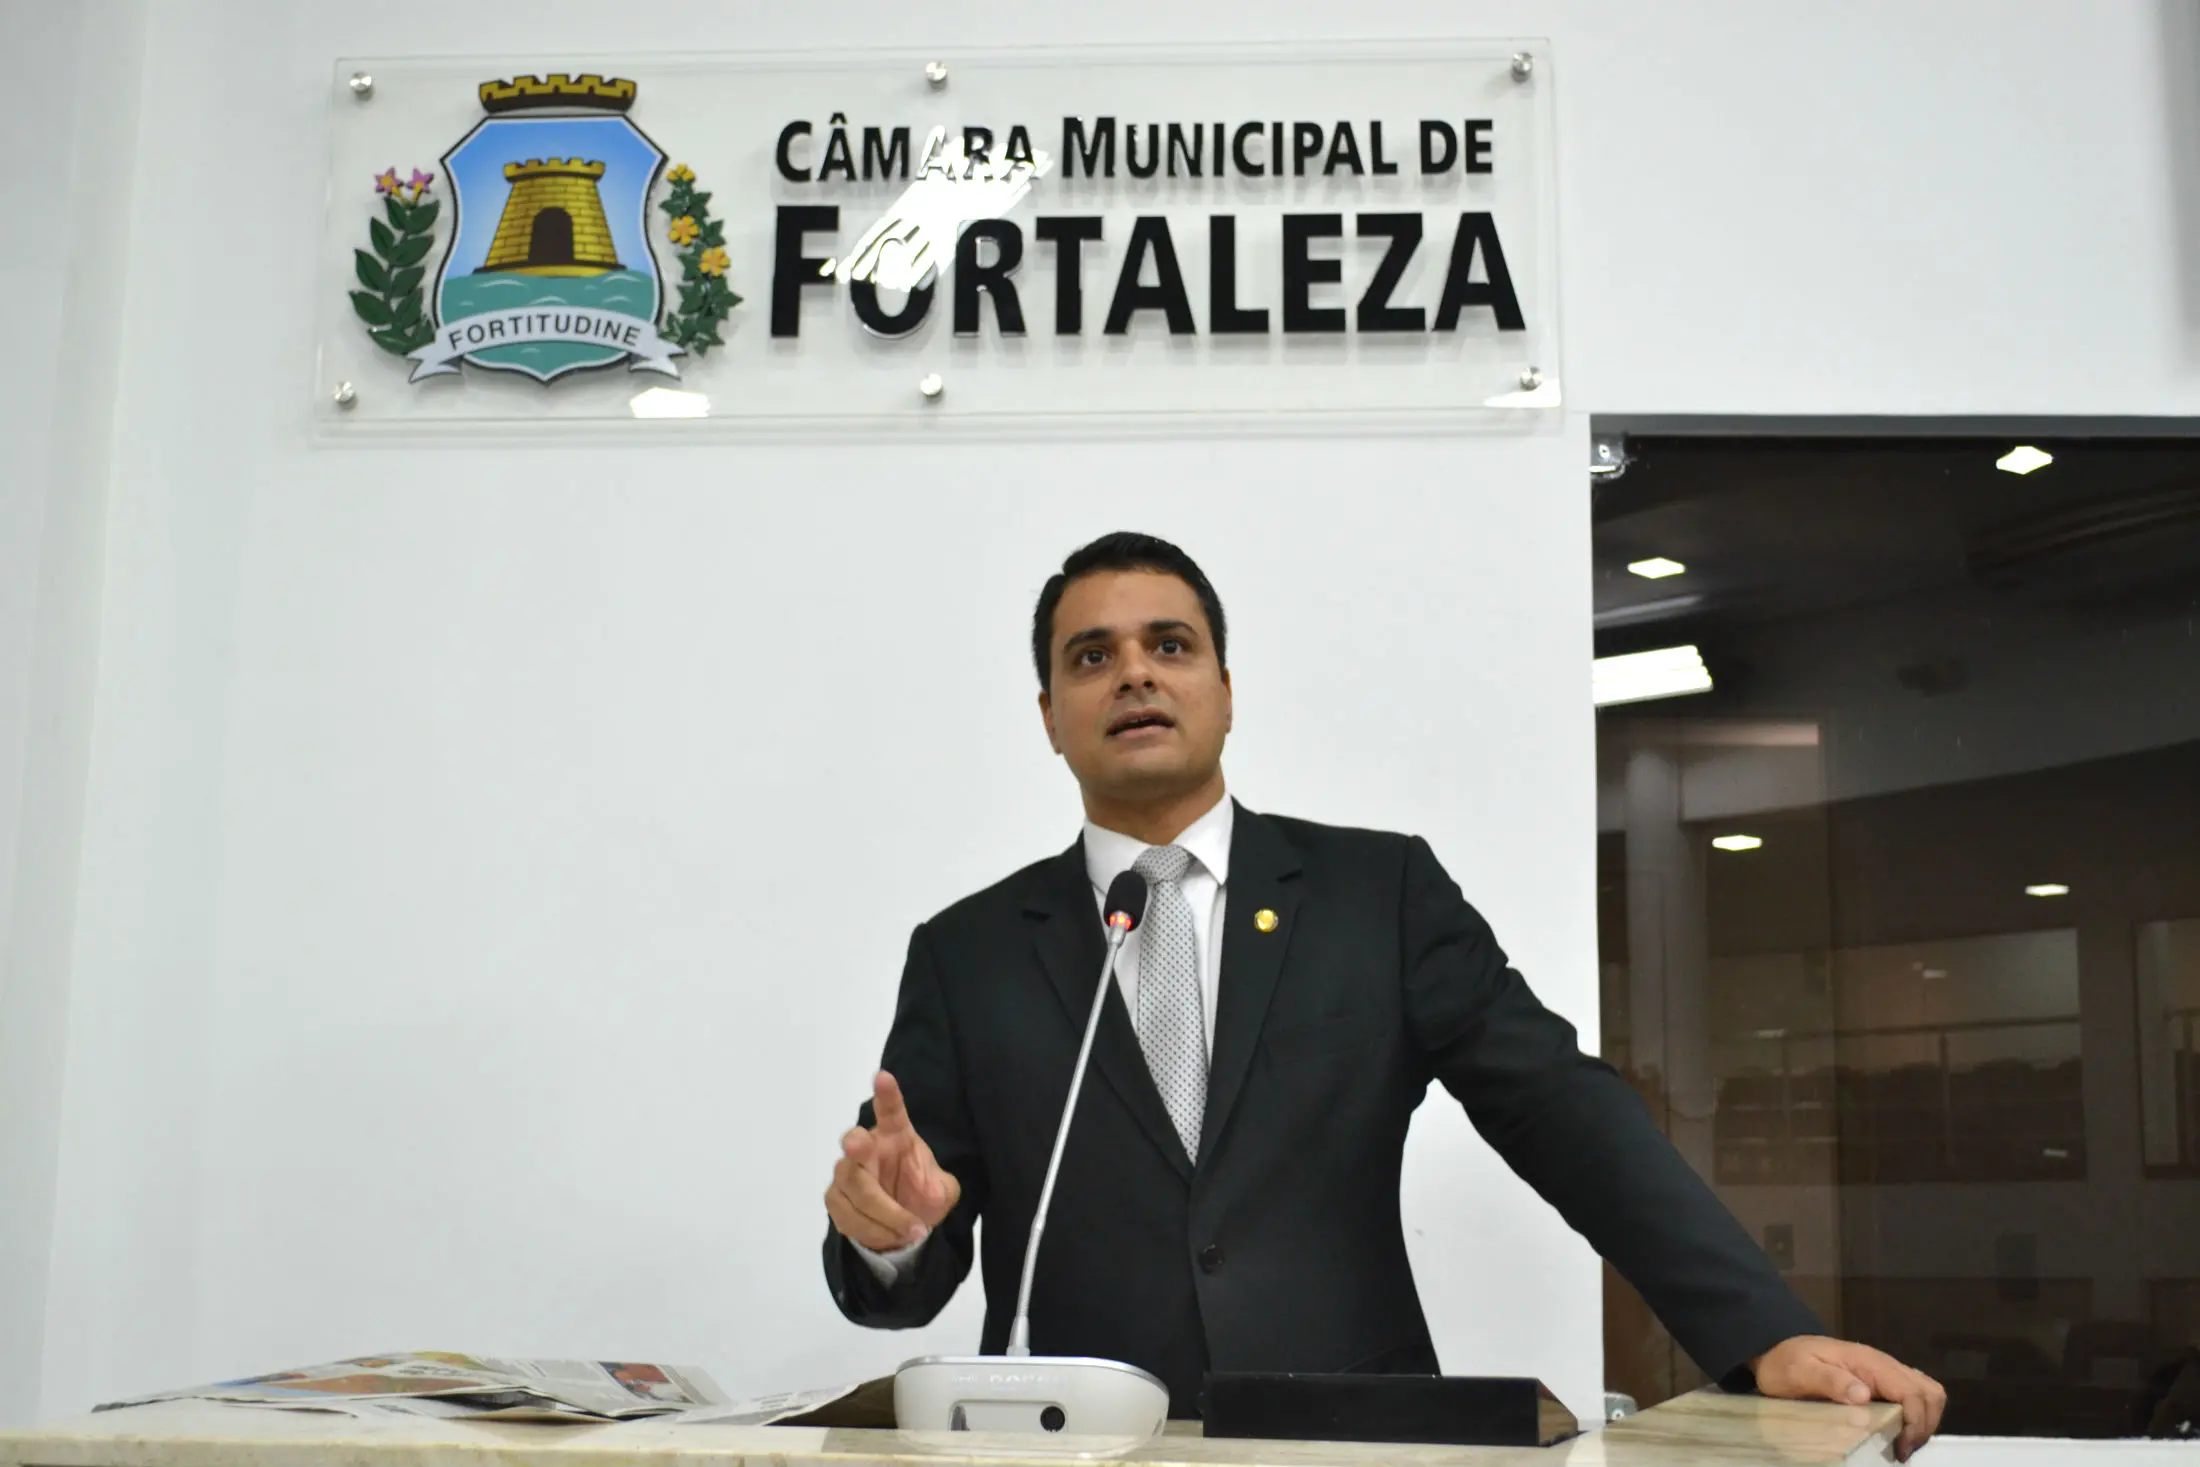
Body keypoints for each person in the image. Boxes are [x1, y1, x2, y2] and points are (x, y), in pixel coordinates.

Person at [821, 533, 1947, 1459]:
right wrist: (889, 1237)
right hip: (1066, 1446)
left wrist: (1759, 1335)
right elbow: (900, 1264)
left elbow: (1564, 1113)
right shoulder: (967, 952)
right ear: (1050, 715)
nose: (1134, 674)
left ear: (1224, 690)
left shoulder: (1377, 894)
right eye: (1091, 657)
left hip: (1356, 1443)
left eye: (1170, 644)